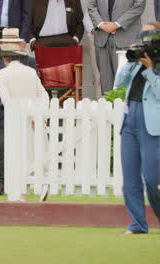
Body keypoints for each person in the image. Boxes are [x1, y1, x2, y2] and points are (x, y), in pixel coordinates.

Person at [115, 23, 160, 234]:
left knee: (153, 178)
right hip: (129, 120)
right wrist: (130, 62)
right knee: (130, 178)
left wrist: (151, 69)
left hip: (152, 124)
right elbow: (119, 83)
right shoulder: (136, 62)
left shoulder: (155, 65)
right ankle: (138, 224)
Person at [0, 29, 49, 200]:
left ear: (4, 58)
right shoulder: (31, 72)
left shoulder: (0, 74)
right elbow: (43, 95)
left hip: (16, 122)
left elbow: (6, 100)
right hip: (34, 121)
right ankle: (40, 187)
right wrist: (37, 115)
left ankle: (21, 194)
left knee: (19, 159)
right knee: (37, 155)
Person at [0, 28, 36, 196]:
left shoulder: (29, 62)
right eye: (5, 43)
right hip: (0, 114)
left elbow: (35, 87)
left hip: (23, 113)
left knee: (23, 147)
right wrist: (4, 101)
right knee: (1, 147)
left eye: (12, 43)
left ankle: (20, 181)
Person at [88, 0, 146, 94]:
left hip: (126, 39)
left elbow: (139, 6)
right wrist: (101, 24)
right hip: (103, 39)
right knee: (106, 84)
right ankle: (108, 107)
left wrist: (117, 24)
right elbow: (91, 5)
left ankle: (126, 108)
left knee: (126, 83)